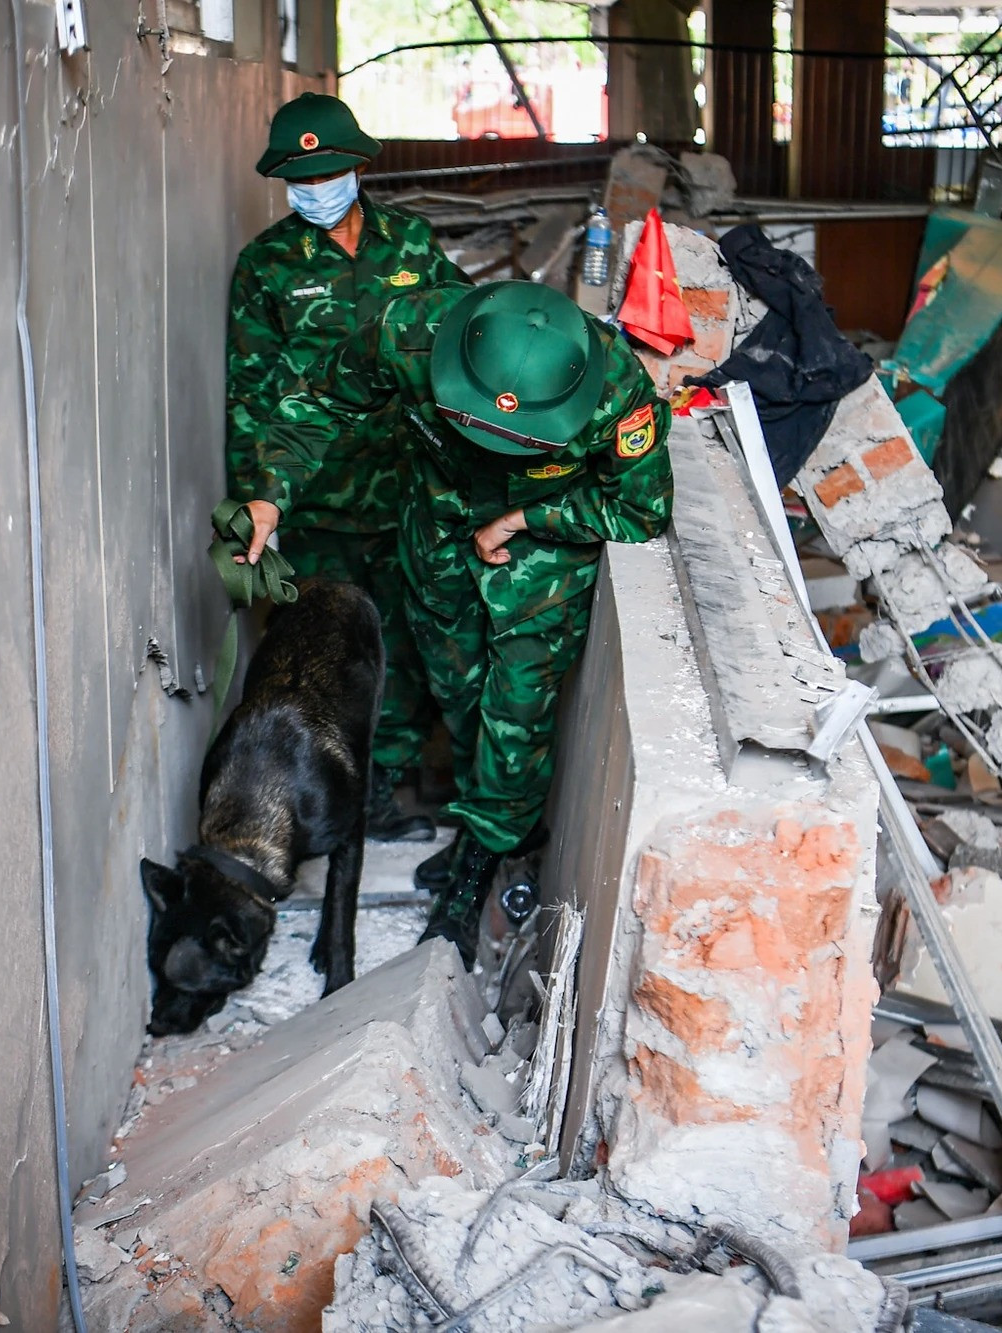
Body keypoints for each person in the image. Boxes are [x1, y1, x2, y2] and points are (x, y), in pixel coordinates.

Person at [236, 281, 674, 964]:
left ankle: (477, 869)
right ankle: (485, 824)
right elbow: (318, 399)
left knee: (516, 714)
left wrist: (528, 516)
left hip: (540, 564)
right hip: (438, 538)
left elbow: (641, 510)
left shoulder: (617, 393)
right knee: (458, 690)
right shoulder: (409, 332)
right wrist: (270, 494)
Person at [227, 92, 468, 841]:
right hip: (318, 504)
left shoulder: (411, 244)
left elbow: (462, 334)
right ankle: (326, 799)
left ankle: (380, 793)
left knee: (405, 650)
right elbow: (251, 398)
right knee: (326, 662)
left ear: (358, 167)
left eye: (327, 174)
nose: (314, 189)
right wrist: (259, 504)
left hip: (409, 493)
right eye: (300, 179)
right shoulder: (266, 267)